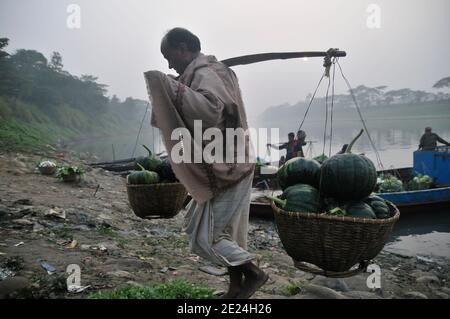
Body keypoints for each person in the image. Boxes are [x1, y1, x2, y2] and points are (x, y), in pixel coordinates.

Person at [144, 28, 268, 299]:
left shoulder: (206, 73)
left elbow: (211, 111)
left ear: (184, 47)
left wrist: (169, 86)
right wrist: (180, 86)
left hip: (229, 167)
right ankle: (236, 287)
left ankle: (255, 274)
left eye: (170, 56)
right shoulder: (205, 72)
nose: (169, 64)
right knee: (223, 232)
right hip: (228, 163)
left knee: (209, 237)